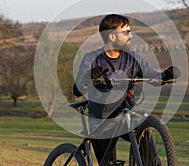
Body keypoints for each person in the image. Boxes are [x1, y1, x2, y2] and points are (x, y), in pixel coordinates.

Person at [73, 14, 180, 165]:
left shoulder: (133, 58)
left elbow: (153, 77)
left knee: (144, 131)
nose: (131, 36)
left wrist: (166, 75)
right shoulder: (91, 58)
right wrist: (88, 76)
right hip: (101, 122)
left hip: (126, 116)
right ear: (111, 36)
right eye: (126, 32)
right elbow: (77, 90)